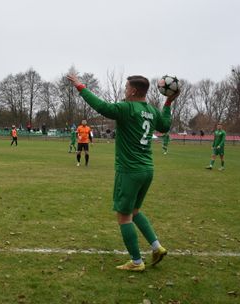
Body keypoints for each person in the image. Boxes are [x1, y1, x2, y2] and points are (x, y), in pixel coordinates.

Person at [67, 73, 179, 272]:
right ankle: (157, 247)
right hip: (147, 170)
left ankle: (136, 262)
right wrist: (168, 102)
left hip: (129, 170)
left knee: (124, 216)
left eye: (126, 88)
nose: (125, 91)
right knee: (134, 211)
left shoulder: (127, 108)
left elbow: (102, 107)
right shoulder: (152, 110)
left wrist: (80, 86)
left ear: (134, 90)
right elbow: (165, 125)